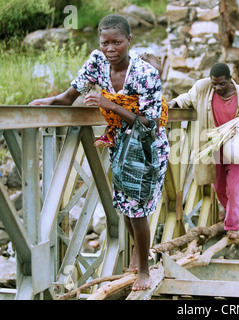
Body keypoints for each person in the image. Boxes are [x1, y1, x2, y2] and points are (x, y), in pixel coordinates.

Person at [29, 14, 170, 291]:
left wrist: (110, 104)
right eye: (105, 42)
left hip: (147, 147)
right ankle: (136, 255)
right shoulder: (97, 61)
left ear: (129, 41)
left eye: (117, 42)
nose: (110, 49)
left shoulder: (146, 74)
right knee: (124, 207)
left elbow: (150, 123)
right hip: (119, 144)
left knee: (138, 208)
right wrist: (46, 103)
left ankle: (143, 270)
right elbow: (68, 98)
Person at [168, 63, 239, 239]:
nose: (217, 88)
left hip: (236, 148)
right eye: (214, 83)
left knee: (232, 187)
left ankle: (232, 226)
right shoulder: (203, 87)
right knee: (220, 187)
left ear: (230, 79)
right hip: (213, 148)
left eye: (221, 84)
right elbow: (188, 98)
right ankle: (231, 210)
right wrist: (173, 103)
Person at [94, 52, 168, 147]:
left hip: (154, 144)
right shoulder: (129, 93)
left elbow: (155, 120)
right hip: (129, 142)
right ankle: (109, 134)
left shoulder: (157, 97)